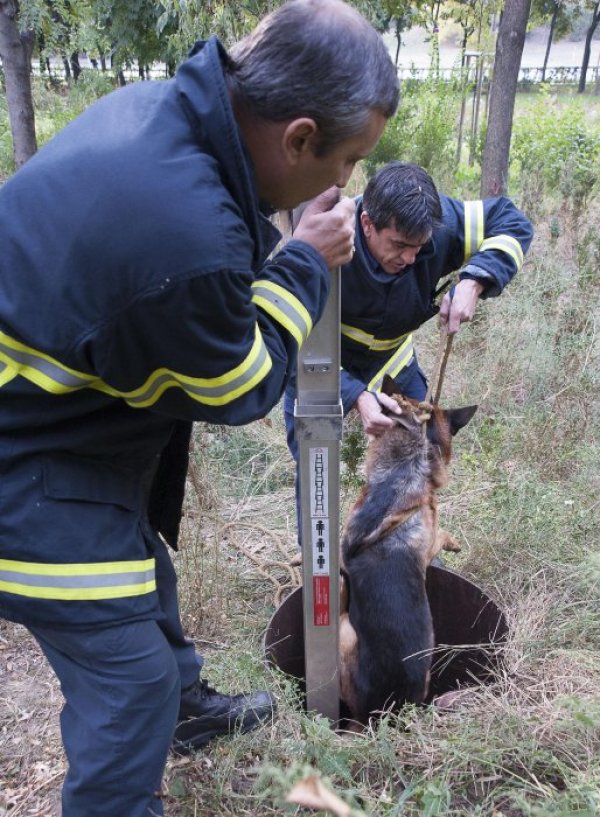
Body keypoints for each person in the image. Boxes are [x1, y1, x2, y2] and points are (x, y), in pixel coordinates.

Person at [0, 2, 399, 814]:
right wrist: (301, 268)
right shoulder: (183, 237)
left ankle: (184, 714)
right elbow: (239, 385)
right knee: (129, 674)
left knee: (148, 573)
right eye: (348, 159)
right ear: (297, 137)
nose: (344, 185)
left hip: (58, 416)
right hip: (25, 466)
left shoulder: (168, 114)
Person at [284, 161, 533, 522]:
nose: (410, 258)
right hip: (319, 368)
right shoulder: (320, 244)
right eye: (399, 245)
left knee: (415, 459)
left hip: (392, 364)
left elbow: (512, 221)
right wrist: (356, 397)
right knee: (316, 470)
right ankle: (322, 568)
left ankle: (411, 549)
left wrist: (474, 280)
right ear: (367, 223)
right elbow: (288, 349)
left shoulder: (442, 225)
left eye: (420, 247)